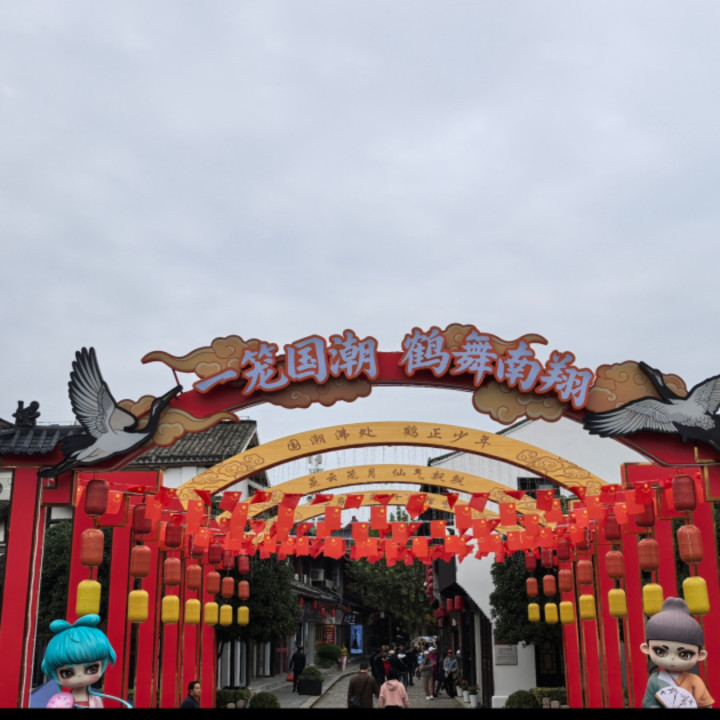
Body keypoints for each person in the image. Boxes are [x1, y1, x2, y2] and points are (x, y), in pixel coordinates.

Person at [41, 614, 132, 708]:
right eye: (67, 673)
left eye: (92, 669)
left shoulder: (96, 700)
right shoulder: (60, 702)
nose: (80, 676)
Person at [640, 597, 714, 708]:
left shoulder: (694, 681)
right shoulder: (654, 680)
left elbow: (706, 705)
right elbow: (648, 703)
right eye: (660, 651)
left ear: (700, 655)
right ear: (646, 648)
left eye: (685, 654)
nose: (672, 658)